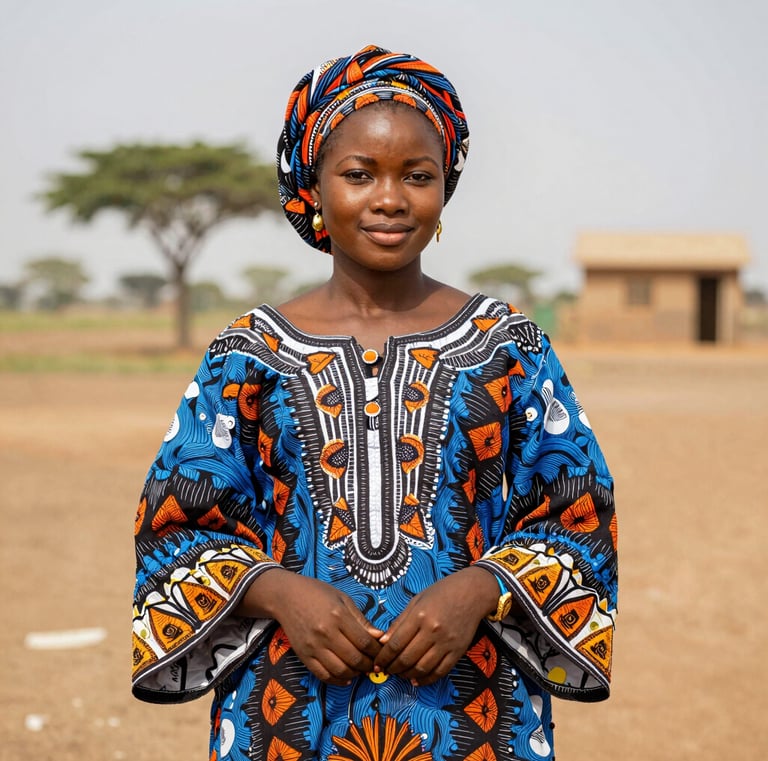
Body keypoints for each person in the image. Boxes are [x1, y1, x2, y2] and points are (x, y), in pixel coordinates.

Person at [131, 44, 617, 761]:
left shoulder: (508, 345)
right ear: (315, 188)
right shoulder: (247, 354)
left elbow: (578, 509)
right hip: (287, 713)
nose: (390, 198)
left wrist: (483, 588)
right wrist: (278, 592)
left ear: (444, 188)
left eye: (417, 176)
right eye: (359, 174)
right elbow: (177, 522)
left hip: (474, 712)